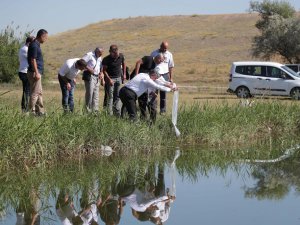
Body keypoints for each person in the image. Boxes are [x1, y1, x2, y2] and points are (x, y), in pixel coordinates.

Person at [131, 54, 164, 122]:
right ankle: (137, 117)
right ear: (158, 58)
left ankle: (145, 120)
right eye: (160, 61)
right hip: (136, 80)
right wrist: (137, 75)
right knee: (141, 100)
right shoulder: (149, 58)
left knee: (144, 99)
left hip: (143, 82)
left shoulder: (155, 65)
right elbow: (138, 62)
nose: (160, 62)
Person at [27, 29, 48, 116]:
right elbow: (33, 60)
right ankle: (29, 112)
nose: (46, 39)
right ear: (42, 36)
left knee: (39, 92)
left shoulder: (36, 44)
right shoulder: (35, 45)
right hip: (35, 72)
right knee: (35, 93)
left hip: (36, 72)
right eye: (46, 37)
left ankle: (40, 112)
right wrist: (36, 72)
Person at [151, 41, 174, 114]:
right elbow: (151, 65)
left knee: (163, 93)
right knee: (154, 92)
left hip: (165, 75)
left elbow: (170, 67)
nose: (165, 50)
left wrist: (170, 77)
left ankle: (162, 111)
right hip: (156, 75)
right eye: (164, 48)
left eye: (166, 49)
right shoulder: (154, 53)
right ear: (160, 46)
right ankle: (153, 108)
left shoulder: (169, 54)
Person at [102, 45, 126, 116]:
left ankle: (117, 113)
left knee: (118, 96)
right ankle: (109, 114)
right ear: (110, 52)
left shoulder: (121, 56)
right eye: (114, 54)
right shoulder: (106, 59)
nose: (116, 56)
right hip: (110, 79)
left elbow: (124, 64)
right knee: (110, 97)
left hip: (118, 78)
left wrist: (124, 74)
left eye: (117, 54)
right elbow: (104, 70)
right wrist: (109, 79)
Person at [82, 47, 104, 113]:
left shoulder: (99, 57)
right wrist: (89, 68)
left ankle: (95, 112)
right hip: (89, 76)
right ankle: (87, 112)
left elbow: (100, 66)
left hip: (97, 77)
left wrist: (101, 72)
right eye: (100, 54)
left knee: (96, 95)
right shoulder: (89, 55)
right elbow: (81, 62)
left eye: (101, 54)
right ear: (97, 51)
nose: (101, 55)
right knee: (90, 94)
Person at [18, 36, 34, 112]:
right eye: (33, 43)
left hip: (23, 71)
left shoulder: (23, 48)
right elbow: (32, 59)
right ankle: (25, 109)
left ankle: (24, 108)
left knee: (26, 90)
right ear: (29, 42)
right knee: (27, 91)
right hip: (25, 72)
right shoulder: (26, 49)